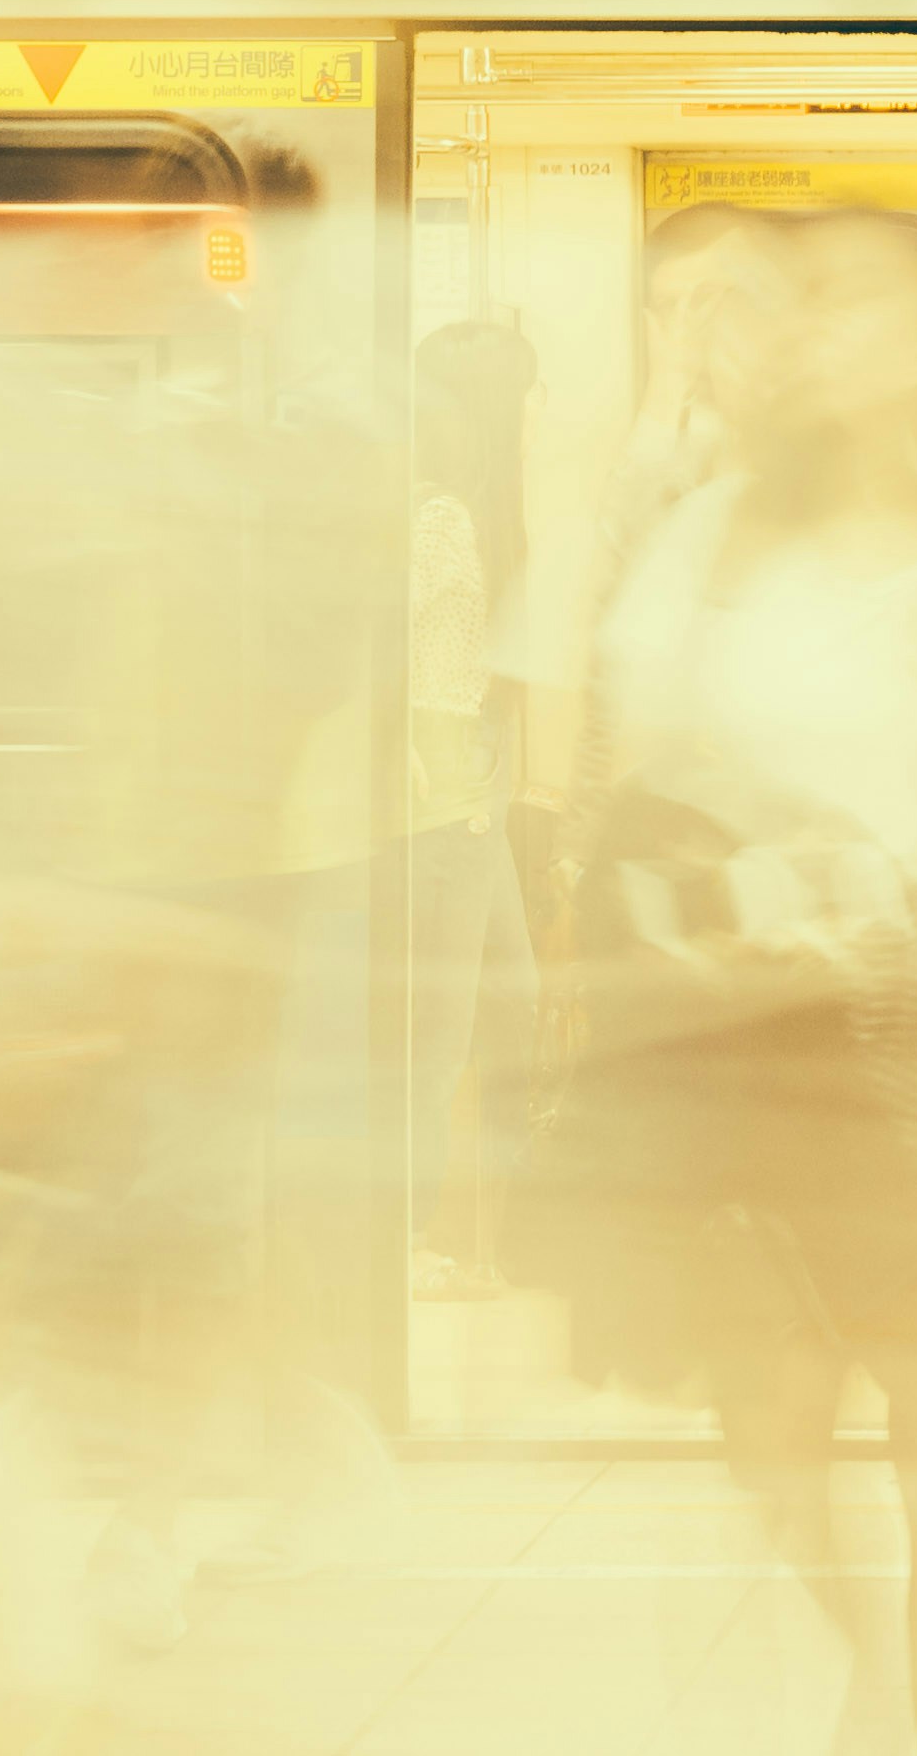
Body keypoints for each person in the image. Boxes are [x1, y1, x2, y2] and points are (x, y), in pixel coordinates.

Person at [545, 203, 917, 1756]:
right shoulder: (701, 538)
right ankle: (875, 1676)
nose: (820, 331)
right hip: (742, 1022)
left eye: (860, 303)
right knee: (767, 1423)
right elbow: (628, 756)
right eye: (802, 303)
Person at [405, 317, 543, 1299]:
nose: (539, 411)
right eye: (527, 394)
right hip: (439, 796)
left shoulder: (472, 513)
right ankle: (396, 1239)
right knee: (435, 1032)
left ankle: (492, 1237)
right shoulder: (440, 517)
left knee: (512, 1000)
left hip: (474, 796)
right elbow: (380, 654)